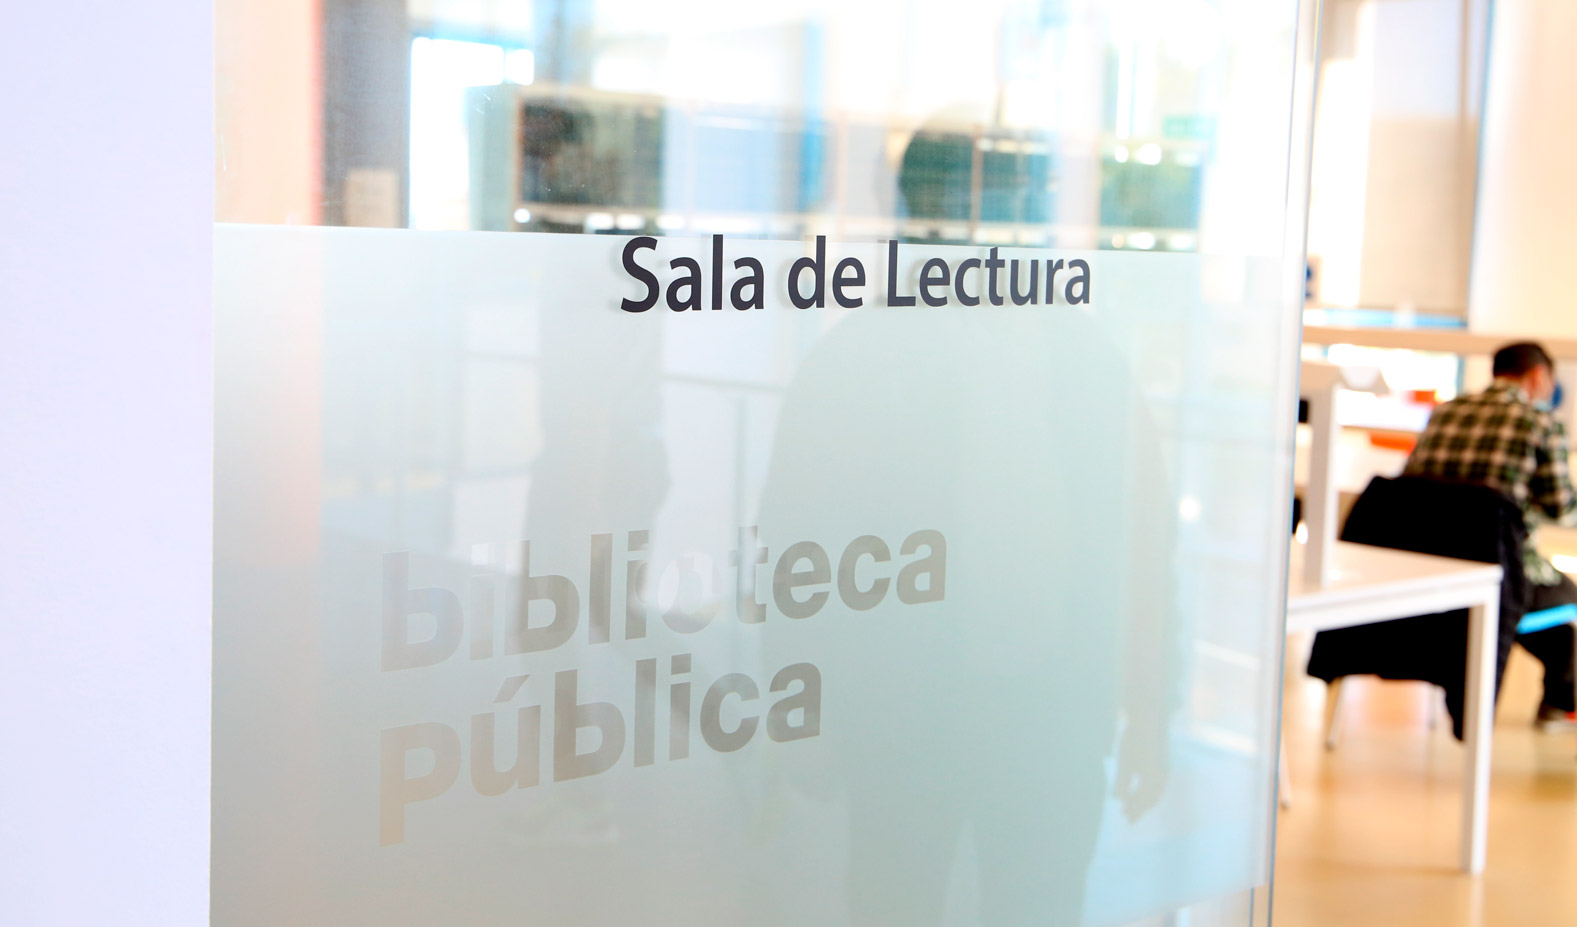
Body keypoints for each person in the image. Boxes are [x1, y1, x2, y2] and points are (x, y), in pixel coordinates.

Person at [1402, 341, 1577, 728]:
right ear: (1538, 376)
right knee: (1566, 599)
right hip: (1499, 567)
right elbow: (1560, 508)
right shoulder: (1541, 422)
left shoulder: (1444, 412)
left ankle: (1556, 694)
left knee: (1544, 607)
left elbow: (1409, 484)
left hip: (1428, 560)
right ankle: (1560, 702)